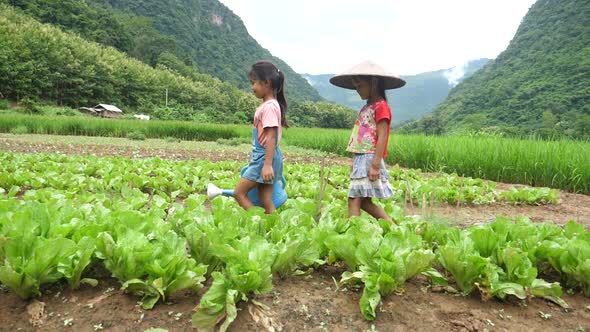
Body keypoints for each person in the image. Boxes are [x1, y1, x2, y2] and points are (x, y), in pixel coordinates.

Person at [329, 61, 406, 221]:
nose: (358, 90)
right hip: (362, 157)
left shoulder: (381, 106)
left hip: (370, 157)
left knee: (354, 199)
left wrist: (375, 164)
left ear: (373, 83)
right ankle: (391, 226)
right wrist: (355, 163)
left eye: (360, 86)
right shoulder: (368, 106)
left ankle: (353, 232)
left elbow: (382, 135)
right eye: (356, 87)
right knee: (364, 202)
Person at [233, 60, 288, 214]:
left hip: (264, 158)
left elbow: (271, 137)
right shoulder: (270, 105)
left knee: (239, 193)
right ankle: (273, 226)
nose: (252, 88)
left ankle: (256, 221)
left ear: (267, 83)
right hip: (268, 157)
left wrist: (267, 164)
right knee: (265, 200)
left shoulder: (269, 107)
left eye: (254, 83)